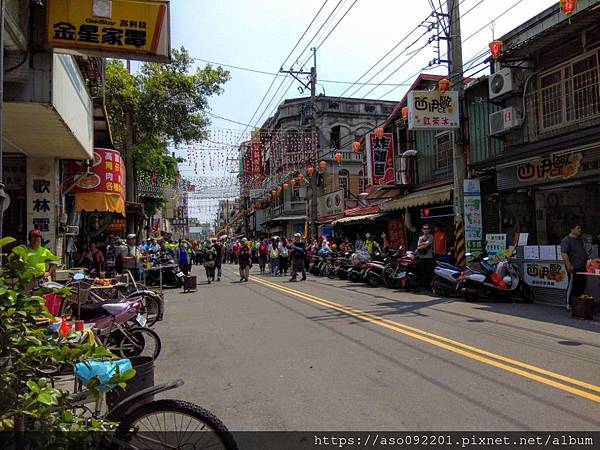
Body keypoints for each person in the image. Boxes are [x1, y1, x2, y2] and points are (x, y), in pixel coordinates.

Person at [561, 222, 589, 311]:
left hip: (582, 266)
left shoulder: (580, 239)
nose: (579, 230)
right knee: (573, 285)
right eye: (578, 228)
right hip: (574, 267)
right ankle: (569, 304)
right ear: (572, 229)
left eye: (580, 228)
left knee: (581, 284)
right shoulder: (566, 240)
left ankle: (578, 303)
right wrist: (569, 265)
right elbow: (564, 253)